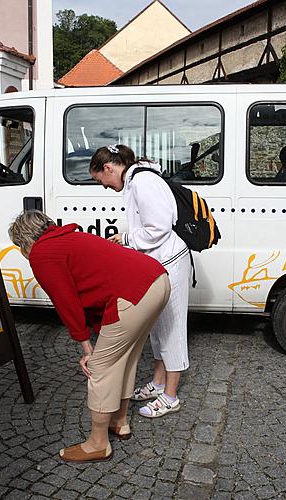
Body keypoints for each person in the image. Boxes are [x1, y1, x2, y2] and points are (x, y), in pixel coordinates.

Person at [8, 210, 170, 463]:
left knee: (101, 367)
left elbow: (66, 302)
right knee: (125, 358)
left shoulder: (42, 253)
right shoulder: (69, 237)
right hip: (156, 280)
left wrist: (87, 348)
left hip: (134, 292)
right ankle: (120, 422)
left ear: (24, 242)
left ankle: (97, 443)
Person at [89, 144, 191, 419]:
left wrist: (126, 239)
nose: (105, 187)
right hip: (158, 264)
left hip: (171, 262)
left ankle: (170, 396)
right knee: (157, 327)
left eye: (102, 180)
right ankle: (159, 383)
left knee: (172, 329)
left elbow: (159, 226)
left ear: (109, 168)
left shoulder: (143, 181)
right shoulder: (136, 180)